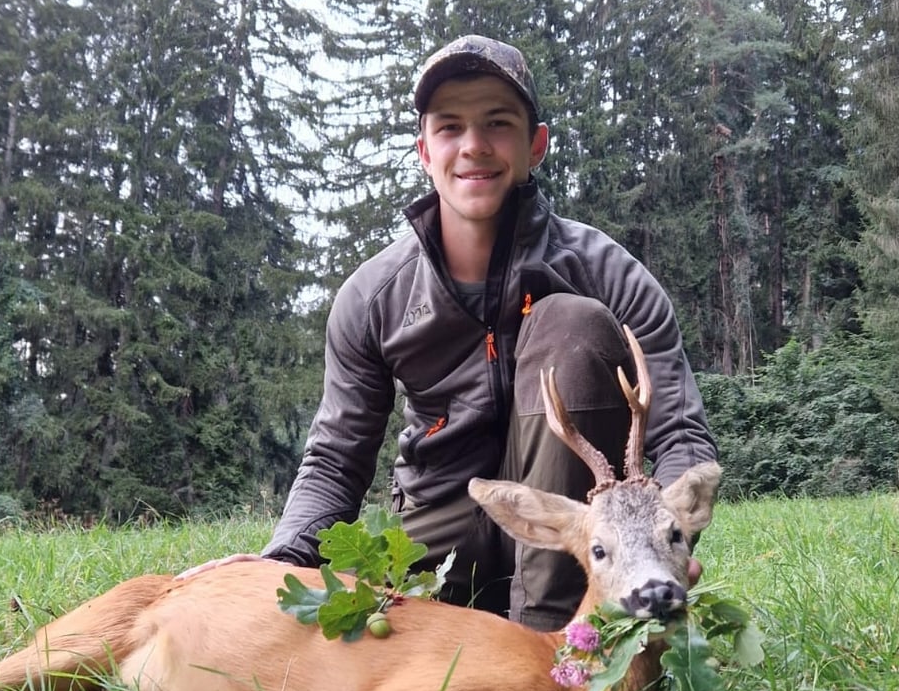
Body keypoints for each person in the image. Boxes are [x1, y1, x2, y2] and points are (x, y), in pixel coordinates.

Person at [188, 35, 717, 632]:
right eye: (449, 127)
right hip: (436, 529)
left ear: (535, 144)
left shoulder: (609, 275)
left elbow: (680, 432)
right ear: (423, 150)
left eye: (497, 122)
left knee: (573, 323)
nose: (473, 146)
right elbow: (337, 459)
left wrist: (666, 542)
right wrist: (282, 561)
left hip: (573, 534)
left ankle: (555, 643)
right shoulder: (374, 297)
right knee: (340, 642)